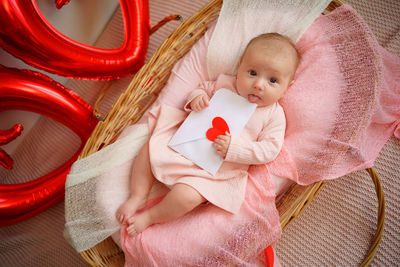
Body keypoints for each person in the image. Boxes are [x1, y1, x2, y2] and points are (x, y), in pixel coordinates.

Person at [116, 32, 300, 236]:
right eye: (253, 73)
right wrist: (198, 98)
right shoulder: (225, 85)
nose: (258, 84)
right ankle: (137, 196)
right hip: (186, 145)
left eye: (272, 80)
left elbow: (269, 150)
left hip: (214, 172)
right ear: (240, 67)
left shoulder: (273, 115)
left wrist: (235, 148)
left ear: (287, 87)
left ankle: (150, 217)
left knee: (187, 197)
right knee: (149, 149)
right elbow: (202, 88)